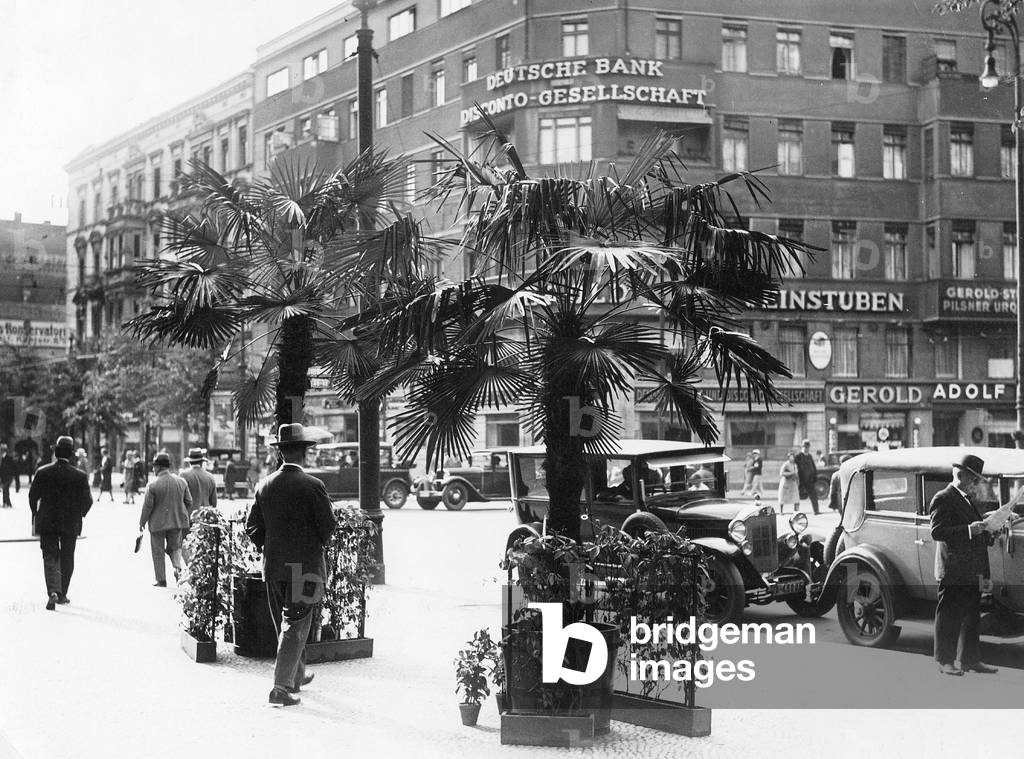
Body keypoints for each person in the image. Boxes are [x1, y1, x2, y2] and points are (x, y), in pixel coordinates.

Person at [245, 424, 337, 707]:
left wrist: (268, 546)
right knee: (296, 625)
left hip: (273, 567)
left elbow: (252, 528)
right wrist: (314, 545)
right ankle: (280, 688)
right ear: (303, 452)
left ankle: (295, 676)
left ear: (282, 452)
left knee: (285, 624)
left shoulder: (264, 485)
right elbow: (328, 526)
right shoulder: (313, 486)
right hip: (306, 567)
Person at [929, 454, 1001, 676]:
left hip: (972, 569)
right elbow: (937, 532)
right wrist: (971, 530)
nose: (976, 484)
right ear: (960, 475)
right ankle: (945, 661)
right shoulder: (943, 498)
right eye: (974, 479)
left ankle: (969, 660)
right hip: (953, 569)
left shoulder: (966, 498)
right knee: (949, 615)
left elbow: (974, 531)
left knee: (971, 615)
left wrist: (989, 532)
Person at [28, 436, 92, 610]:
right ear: (71, 455)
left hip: (47, 521)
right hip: (70, 523)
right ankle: (62, 592)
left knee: (49, 555)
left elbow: (32, 496)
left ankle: (52, 591)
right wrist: (80, 513)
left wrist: (36, 513)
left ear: (55, 452)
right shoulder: (80, 476)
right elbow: (88, 501)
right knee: (67, 557)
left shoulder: (42, 471)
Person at [139, 452, 192, 587]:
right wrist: (180, 513)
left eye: (154, 466)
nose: (152, 469)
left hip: (157, 524)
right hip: (177, 522)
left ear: (158, 467)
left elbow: (147, 507)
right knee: (175, 548)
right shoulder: (181, 481)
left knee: (158, 551)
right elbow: (189, 502)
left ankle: (161, 580)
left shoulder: (152, 485)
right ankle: (177, 569)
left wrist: (142, 523)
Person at [794, 439, 820, 515]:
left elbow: (813, 467)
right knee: (797, 496)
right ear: (802, 447)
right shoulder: (798, 456)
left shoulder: (809, 456)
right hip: (801, 480)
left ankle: (816, 511)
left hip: (810, 480)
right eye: (805, 447)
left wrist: (815, 476)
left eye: (808, 447)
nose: (806, 448)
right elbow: (795, 467)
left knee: (814, 495)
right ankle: (796, 512)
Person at [1, 443, 19, 508]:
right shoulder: (2, 458)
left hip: (8, 477)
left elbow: (12, 467)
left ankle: (7, 503)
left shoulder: (9, 458)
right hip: (4, 477)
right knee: (5, 490)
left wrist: (12, 475)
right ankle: (6, 503)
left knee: (5, 489)